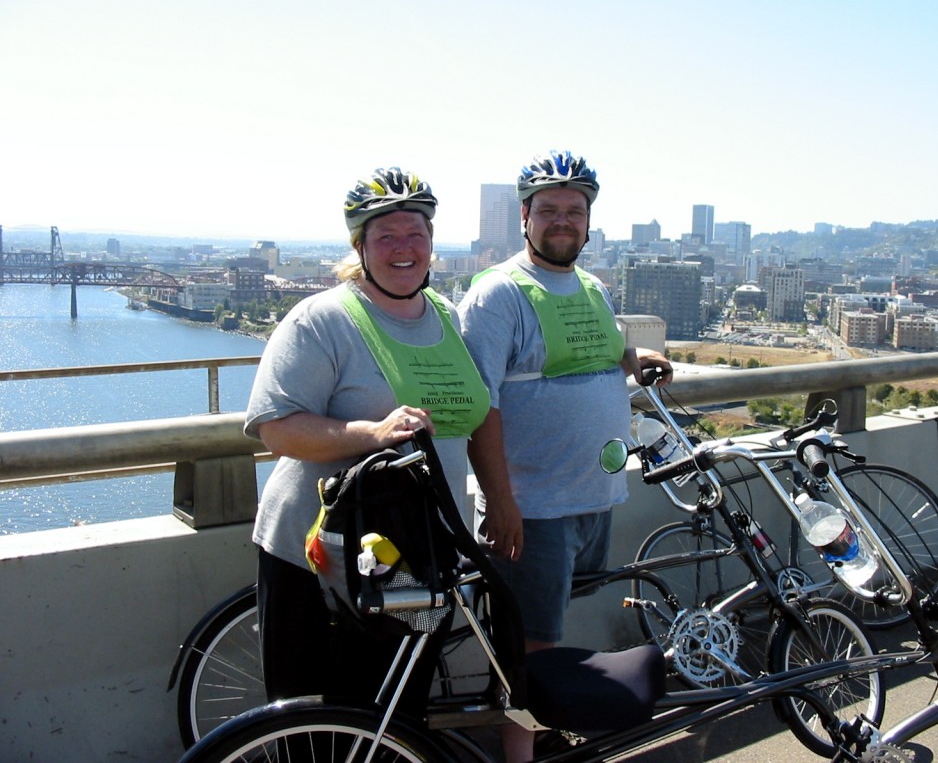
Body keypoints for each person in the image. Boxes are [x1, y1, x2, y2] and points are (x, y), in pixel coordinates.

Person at [243, 166, 489, 720]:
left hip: (421, 552)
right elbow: (275, 427)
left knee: (398, 715)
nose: (404, 248)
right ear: (360, 246)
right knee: (317, 722)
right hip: (323, 555)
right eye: (386, 236)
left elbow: (473, 420)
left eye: (415, 234)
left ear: (431, 241)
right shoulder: (321, 320)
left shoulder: (446, 317)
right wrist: (372, 434)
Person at [456, 150, 671, 761]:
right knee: (530, 647)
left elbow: (601, 354)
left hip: (592, 497)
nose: (562, 220)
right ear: (524, 217)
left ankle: (538, 731)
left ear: (588, 221)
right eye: (548, 209)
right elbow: (481, 404)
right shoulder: (498, 294)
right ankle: (518, 755)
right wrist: (501, 501)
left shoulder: (592, 288)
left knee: (545, 632)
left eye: (574, 211)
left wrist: (637, 361)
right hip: (534, 505)